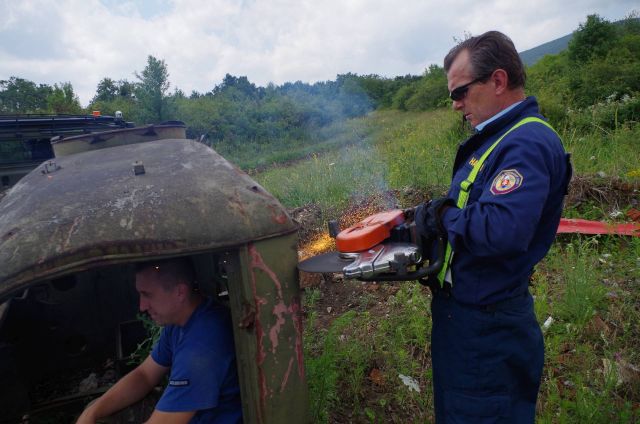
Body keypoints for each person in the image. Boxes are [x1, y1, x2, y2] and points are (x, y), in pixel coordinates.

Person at [414, 31, 572, 422]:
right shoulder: (496, 138)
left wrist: (442, 216)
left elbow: (501, 230)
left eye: (461, 92)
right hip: (469, 315)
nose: (456, 104)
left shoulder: (526, 143)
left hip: (488, 325)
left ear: (498, 81)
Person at [77, 257, 242, 424]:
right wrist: (91, 413)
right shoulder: (181, 321)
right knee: (97, 411)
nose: (142, 306)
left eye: (147, 295)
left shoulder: (201, 345)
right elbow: (144, 375)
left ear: (180, 292)